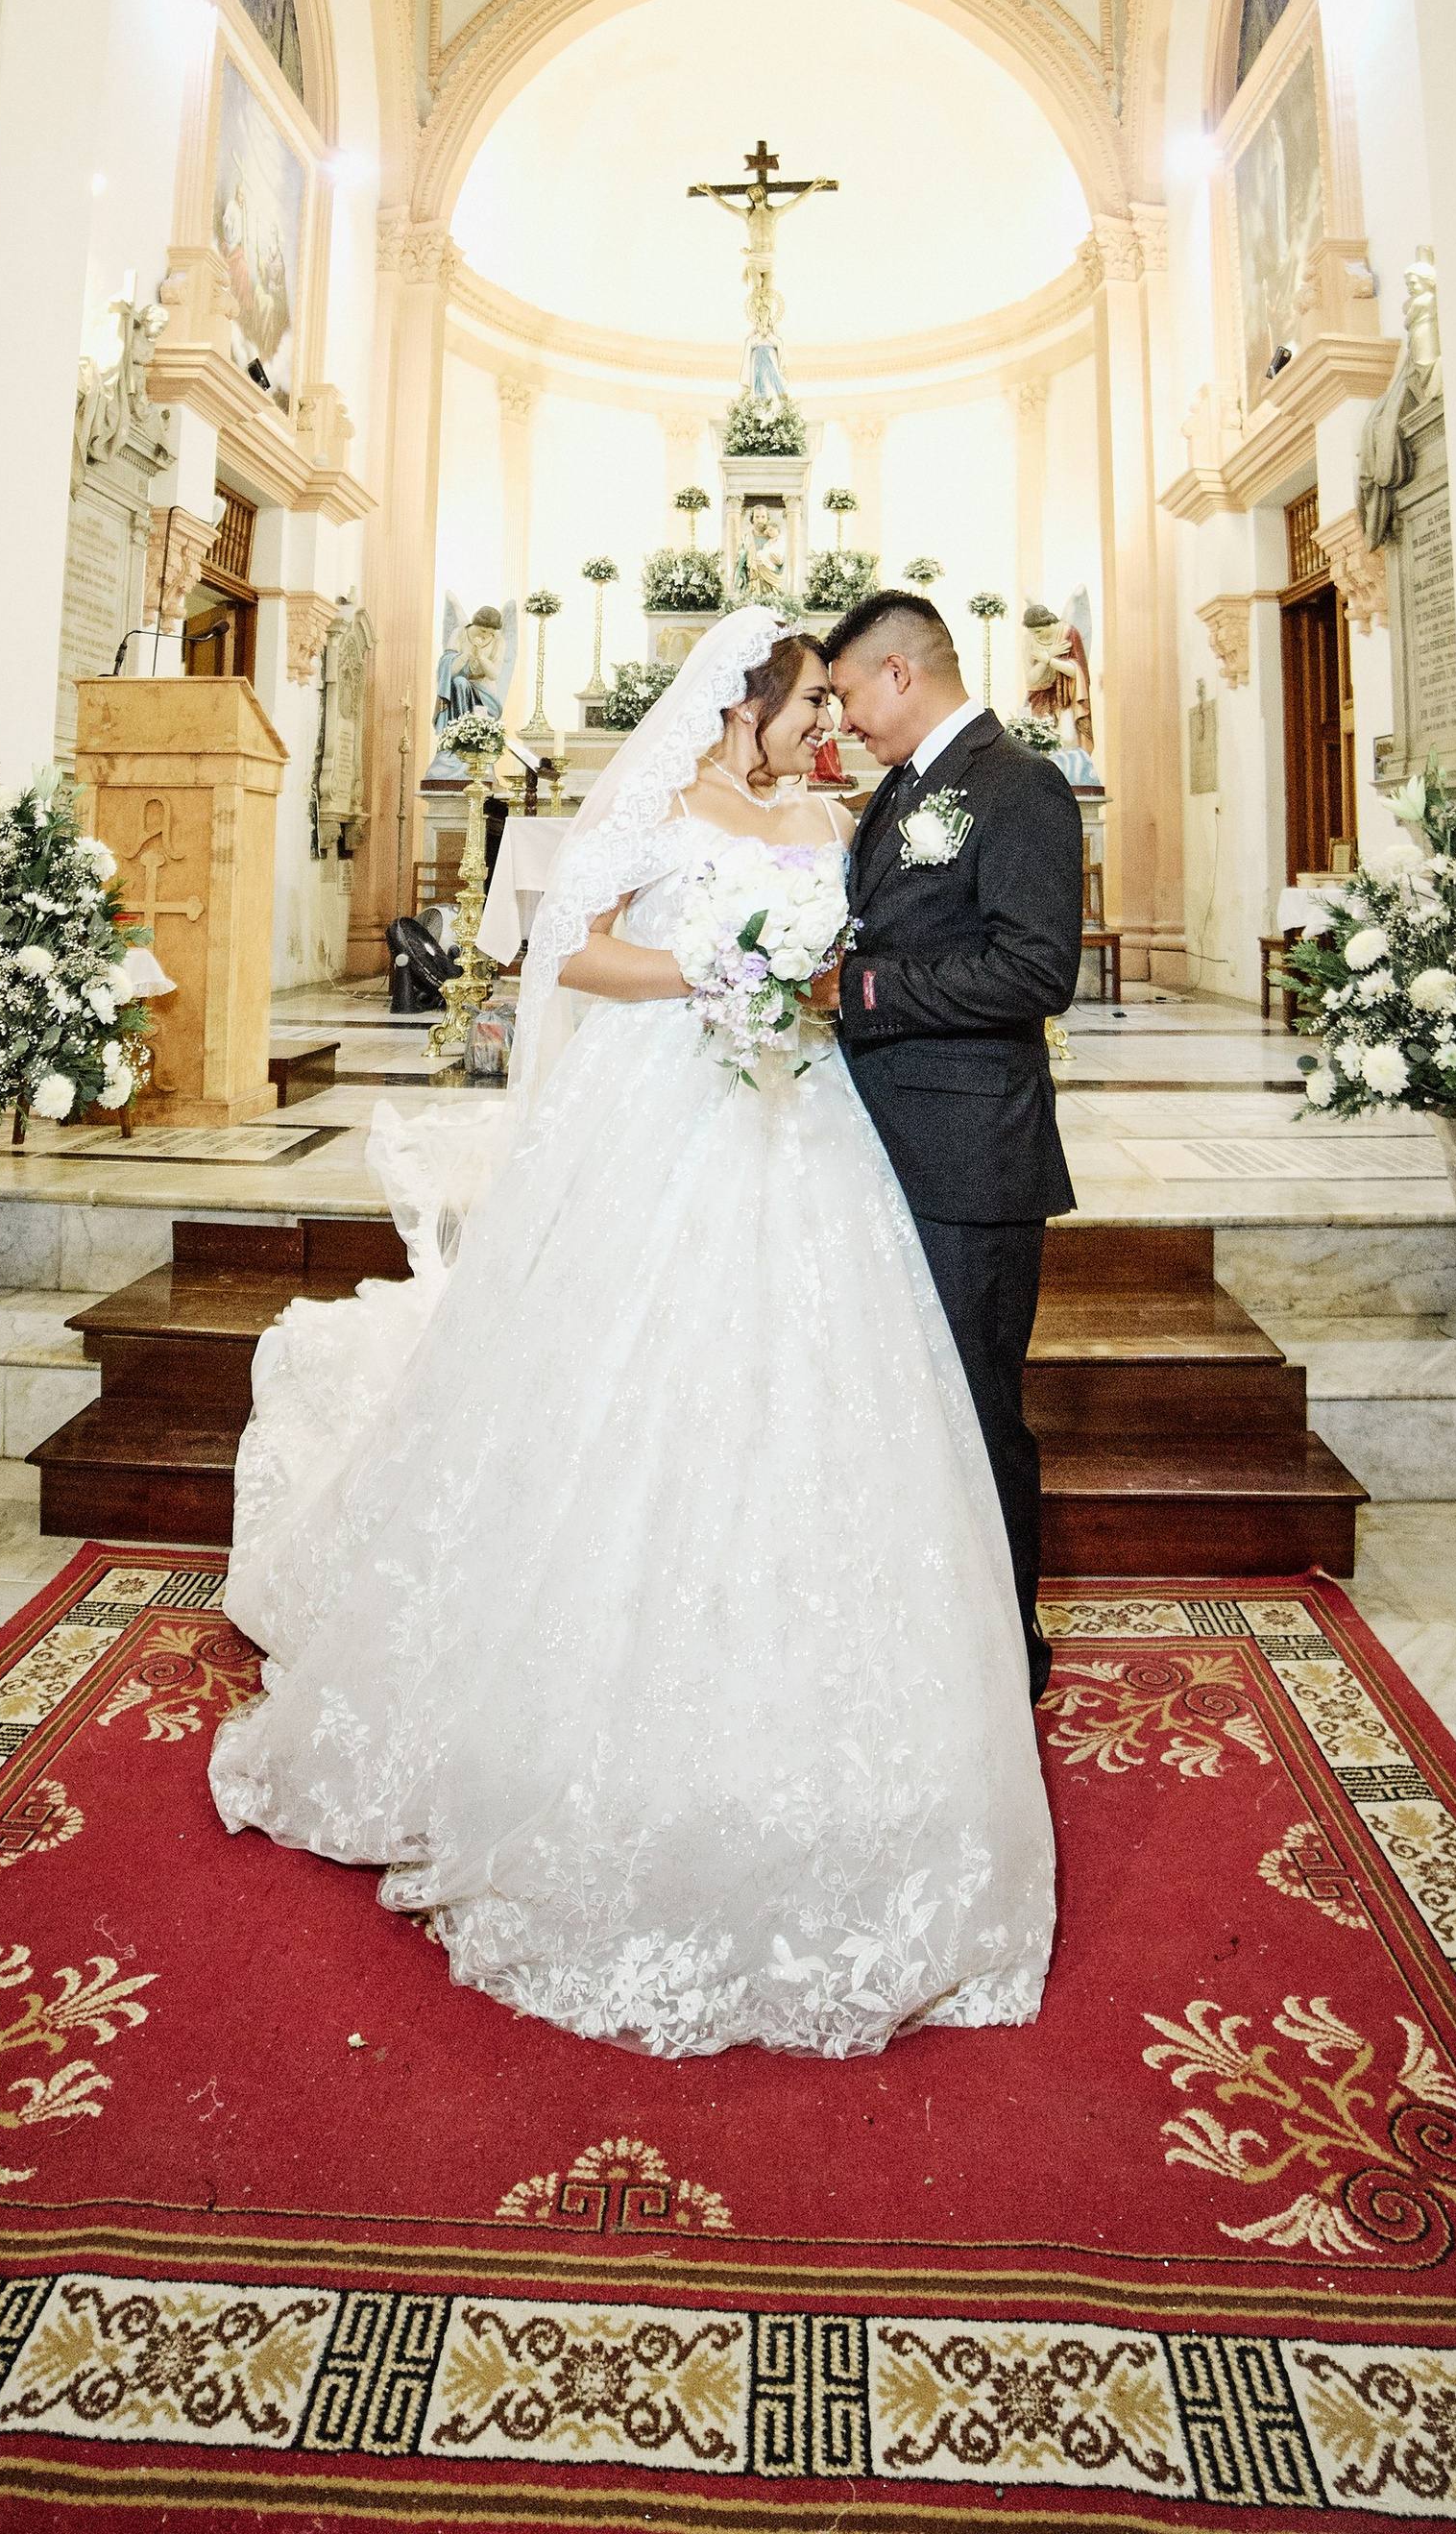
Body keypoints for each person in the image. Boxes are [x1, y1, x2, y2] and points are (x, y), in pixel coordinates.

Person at [208, 607, 1055, 2059]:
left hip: (809, 1129)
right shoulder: (668, 802)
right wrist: (713, 973)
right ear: (748, 706)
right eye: (808, 707)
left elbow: (879, 957)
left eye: (837, 705)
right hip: (669, 1113)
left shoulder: (836, 816)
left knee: (827, 1395)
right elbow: (570, 952)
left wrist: (791, 982)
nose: (826, 728)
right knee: (627, 1383)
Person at [820, 591, 1085, 1705]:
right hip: (879, 1143)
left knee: (977, 1406)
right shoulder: (896, 796)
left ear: (896, 672)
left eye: (842, 695)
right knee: (900, 1402)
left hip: (972, 1152)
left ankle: (1002, 1650)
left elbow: (1036, 970)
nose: (838, 722)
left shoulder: (1018, 786)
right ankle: (921, 1621)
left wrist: (863, 988)